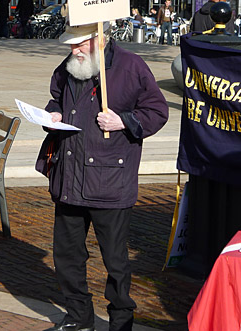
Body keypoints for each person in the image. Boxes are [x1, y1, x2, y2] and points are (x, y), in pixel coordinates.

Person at [37, 22, 169, 331]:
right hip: (69, 176)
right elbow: (57, 97)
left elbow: (157, 111)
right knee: (67, 257)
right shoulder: (69, 66)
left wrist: (124, 121)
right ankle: (78, 317)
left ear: (100, 38)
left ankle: (121, 322)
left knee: (115, 262)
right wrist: (52, 113)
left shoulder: (130, 66)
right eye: (71, 45)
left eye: (80, 44)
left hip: (109, 180)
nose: (74, 50)